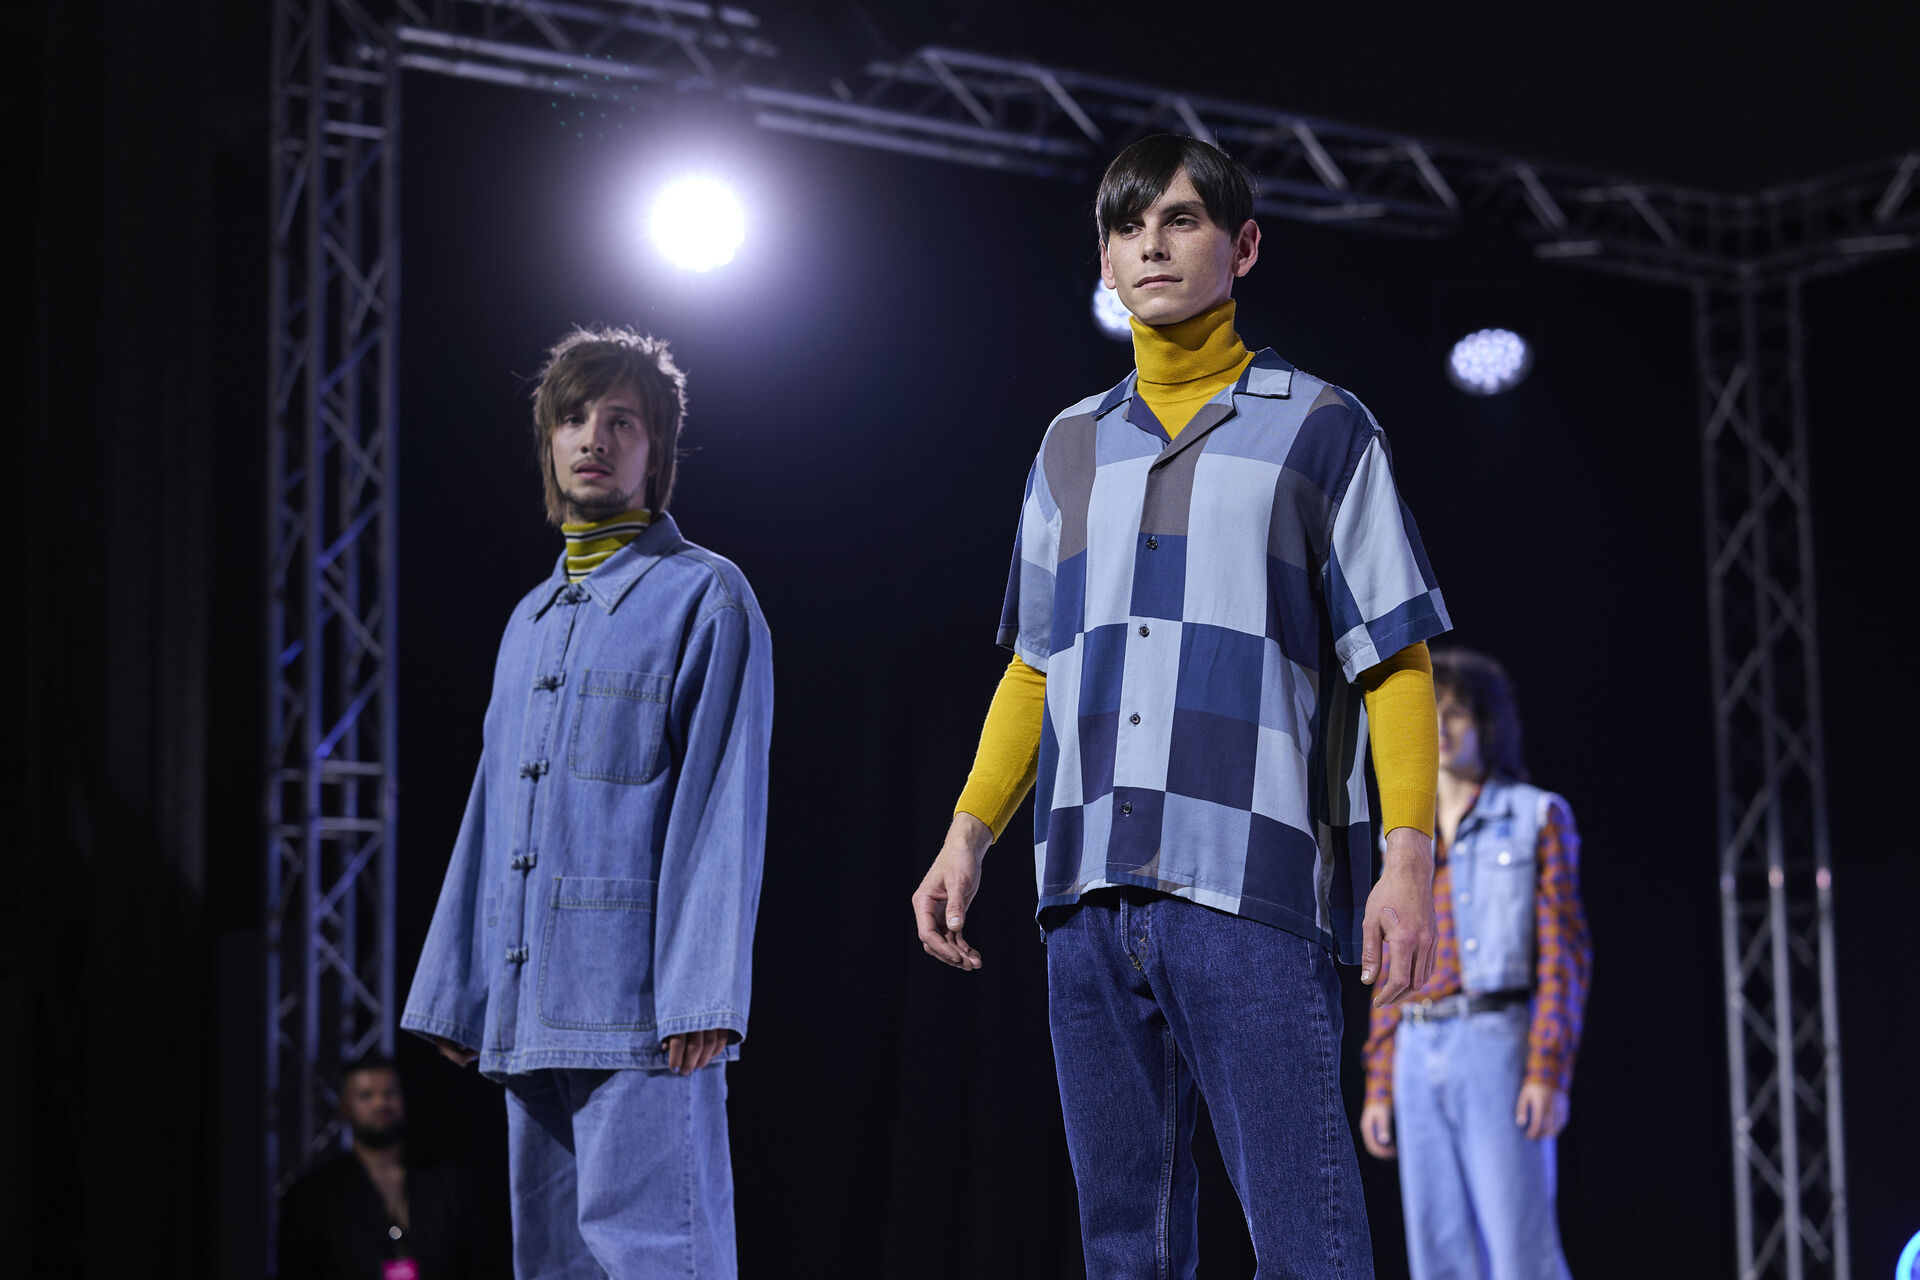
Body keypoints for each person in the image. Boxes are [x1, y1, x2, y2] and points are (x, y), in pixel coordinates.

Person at [912, 134, 1451, 1277]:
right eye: (1126, 226)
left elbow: (1395, 659)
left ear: (1242, 246)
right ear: (1105, 262)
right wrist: (968, 833)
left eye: (1181, 219)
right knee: (1126, 1247)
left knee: (1306, 1238)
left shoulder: (1323, 426)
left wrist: (1408, 861)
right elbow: (1036, 665)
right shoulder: (1069, 445)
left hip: (1252, 886)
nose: (1151, 244)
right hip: (1086, 893)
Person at [401, 327, 774, 1278]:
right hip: (531, 1009)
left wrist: (702, 993)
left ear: (659, 449)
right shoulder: (528, 621)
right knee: (554, 1264)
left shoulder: (705, 597)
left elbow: (722, 807)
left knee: (661, 1260)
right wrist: (460, 989)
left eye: (621, 422)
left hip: (642, 1016)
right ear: (549, 442)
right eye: (573, 419)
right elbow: (491, 808)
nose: (594, 439)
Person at [1359, 649, 1592, 1279]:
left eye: (1458, 712)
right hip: (1416, 1049)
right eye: (1433, 712)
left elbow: (1564, 956)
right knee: (1438, 1256)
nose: (1442, 726)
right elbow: (1391, 966)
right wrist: (1380, 1084)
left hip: (1496, 1042)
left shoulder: (1536, 816)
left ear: (1487, 724)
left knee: (1520, 1253)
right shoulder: (1402, 841)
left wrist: (1547, 1071)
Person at [277, 1053, 484, 1280]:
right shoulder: (314, 1194)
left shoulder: (447, 1183)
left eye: (389, 1093)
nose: (381, 1103)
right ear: (344, 1107)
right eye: (366, 1096)